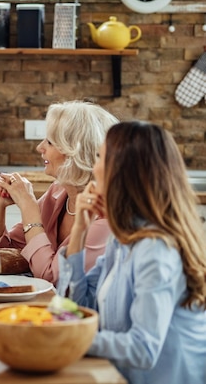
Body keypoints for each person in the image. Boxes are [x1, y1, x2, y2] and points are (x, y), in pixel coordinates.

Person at [59, 121, 206, 384]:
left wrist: (62, 336)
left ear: (122, 172)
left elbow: (143, 349)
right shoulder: (124, 237)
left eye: (100, 158)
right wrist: (79, 231)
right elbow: (81, 306)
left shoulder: (155, 250)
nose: (94, 168)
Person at [0, 101, 118, 284]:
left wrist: (29, 207)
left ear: (75, 152)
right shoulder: (58, 192)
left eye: (50, 142)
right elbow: (1, 256)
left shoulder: (108, 217)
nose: (40, 147)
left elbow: (54, 277)